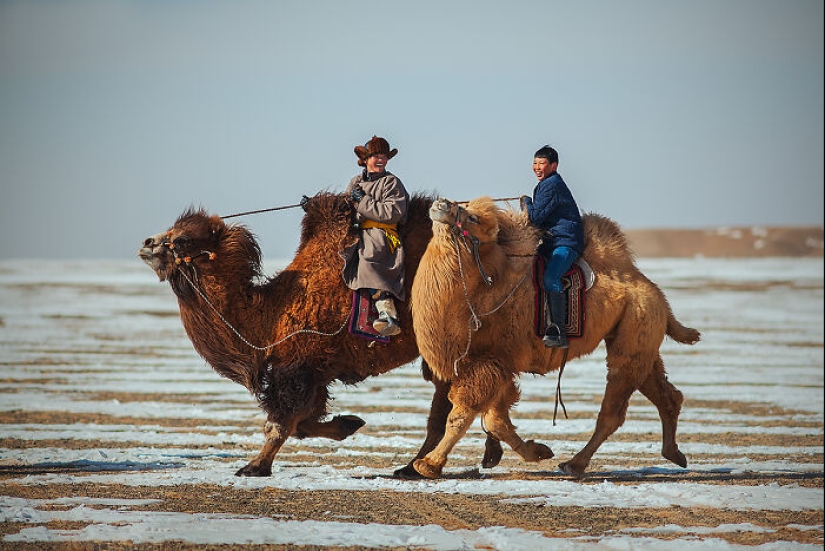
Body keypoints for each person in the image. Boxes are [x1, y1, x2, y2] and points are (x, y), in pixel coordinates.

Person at [342, 135, 409, 337]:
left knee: (368, 258)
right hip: (357, 233)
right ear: (365, 159)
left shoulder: (392, 183)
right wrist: (314, 206)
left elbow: (392, 213)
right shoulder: (355, 182)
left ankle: (386, 309)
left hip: (382, 235)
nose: (380, 160)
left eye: (384, 156)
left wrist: (363, 201)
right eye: (376, 156)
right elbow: (344, 206)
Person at [520, 145, 584, 348]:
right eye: (535, 163)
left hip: (565, 241)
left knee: (551, 277)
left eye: (542, 163)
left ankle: (558, 330)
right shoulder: (546, 183)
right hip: (551, 242)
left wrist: (526, 203)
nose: (537, 167)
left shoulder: (552, 184)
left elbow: (536, 218)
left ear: (554, 165)